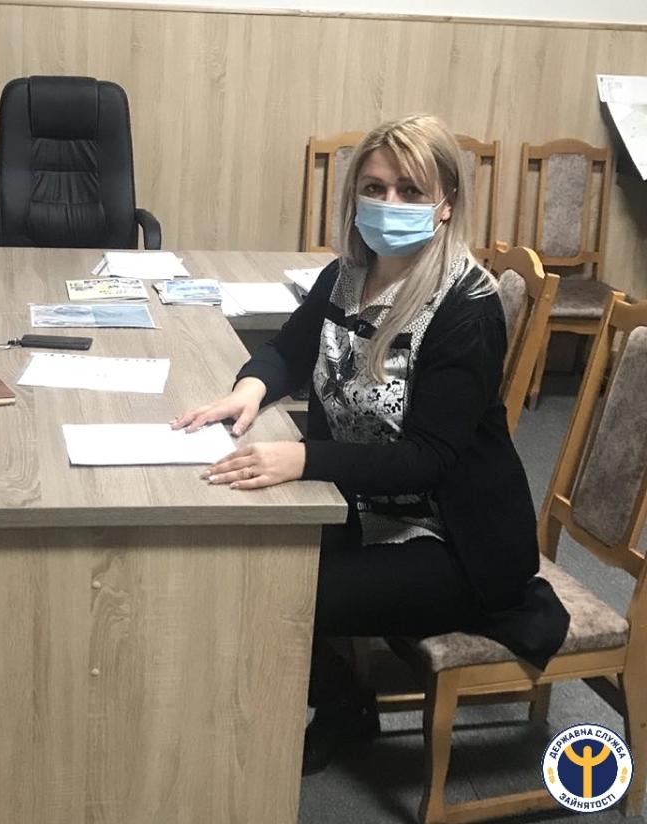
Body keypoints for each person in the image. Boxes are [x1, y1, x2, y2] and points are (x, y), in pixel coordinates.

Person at [172, 114, 569, 774]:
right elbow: (288, 350)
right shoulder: (348, 274)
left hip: (455, 539)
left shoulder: (466, 308)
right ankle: (338, 698)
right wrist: (251, 388)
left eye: (411, 191)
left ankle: (339, 706)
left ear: (446, 204)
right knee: (241, 550)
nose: (389, 204)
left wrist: (304, 458)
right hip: (361, 501)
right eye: (375, 188)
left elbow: (427, 460)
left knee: (281, 587)